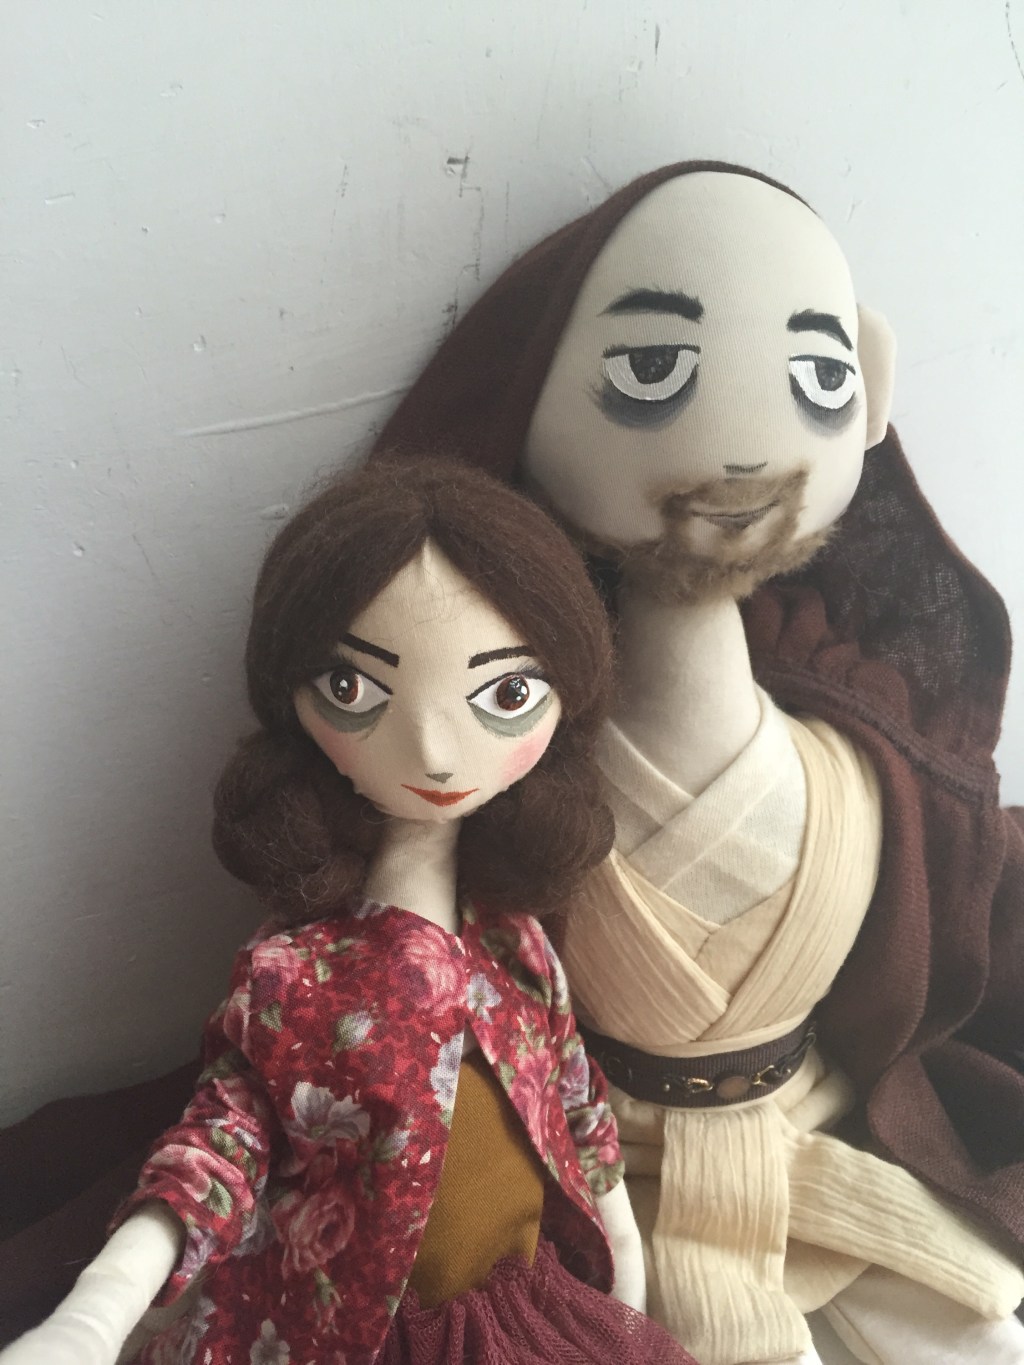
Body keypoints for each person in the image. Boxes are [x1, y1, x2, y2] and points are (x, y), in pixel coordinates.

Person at [369, 163, 1024, 1364]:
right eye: (649, 370)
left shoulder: (862, 754)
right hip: (600, 1168)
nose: (744, 453)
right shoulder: (509, 769)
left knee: (980, 1329)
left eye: (818, 376)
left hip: (805, 1129)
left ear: (871, 388)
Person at [0, 457, 696, 1365]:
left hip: (525, 1311)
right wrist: (95, 1313)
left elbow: (579, 1103)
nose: (435, 750)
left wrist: (625, 1261)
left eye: (506, 693)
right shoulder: (292, 978)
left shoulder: (518, 945)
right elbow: (217, 1151)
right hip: (367, 1336)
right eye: (353, 689)